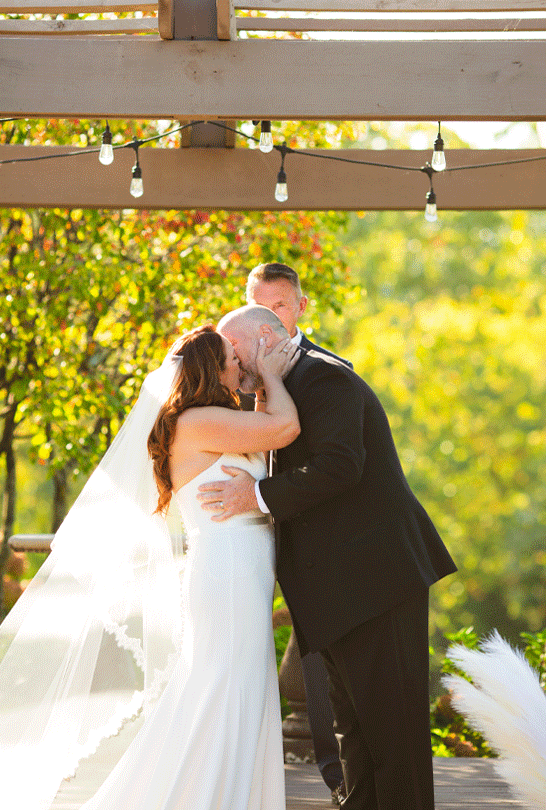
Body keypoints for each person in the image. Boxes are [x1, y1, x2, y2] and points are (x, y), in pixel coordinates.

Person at [0, 321, 302, 810]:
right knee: (222, 687)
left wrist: (256, 394)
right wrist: (272, 377)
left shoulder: (212, 418)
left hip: (243, 570)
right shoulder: (197, 421)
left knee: (240, 684)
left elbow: (266, 442)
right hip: (227, 572)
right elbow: (286, 428)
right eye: (233, 358)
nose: (241, 363)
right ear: (214, 369)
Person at [199, 305, 457, 810]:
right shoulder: (282, 392)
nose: (236, 365)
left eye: (238, 350)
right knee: (354, 737)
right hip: (342, 595)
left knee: (393, 737)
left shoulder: (325, 380)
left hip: (377, 584)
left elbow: (341, 466)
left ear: (272, 337)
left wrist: (257, 496)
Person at [246, 261, 347, 801]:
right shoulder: (230, 368)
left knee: (318, 654)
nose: (269, 321)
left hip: (310, 540)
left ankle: (333, 772)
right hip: (243, 537)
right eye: (260, 308)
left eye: (279, 307)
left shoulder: (328, 370)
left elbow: (335, 465)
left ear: (301, 306)